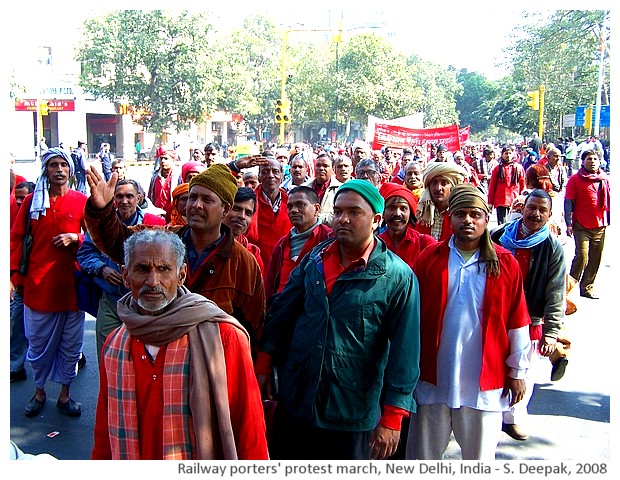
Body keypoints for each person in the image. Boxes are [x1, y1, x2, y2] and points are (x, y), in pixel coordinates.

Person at [256, 179, 420, 460]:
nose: (343, 219)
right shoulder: (314, 260)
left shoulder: (397, 277)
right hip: (297, 400)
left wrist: (393, 416)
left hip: (351, 410)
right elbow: (282, 314)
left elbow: (406, 352)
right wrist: (264, 364)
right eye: (339, 211)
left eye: (354, 212)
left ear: (376, 220)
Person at [91, 229, 269, 460]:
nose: (153, 281)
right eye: (142, 269)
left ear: (182, 274)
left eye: (164, 269)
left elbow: (249, 426)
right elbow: (105, 433)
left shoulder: (223, 336)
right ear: (125, 276)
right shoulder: (115, 345)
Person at [84, 163, 266, 352]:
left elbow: (253, 325)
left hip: (213, 358)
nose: (196, 205)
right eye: (193, 197)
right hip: (161, 354)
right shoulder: (163, 239)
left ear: (225, 209)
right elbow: (119, 243)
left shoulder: (243, 262)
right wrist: (103, 211)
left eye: (207, 200)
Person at [406, 184, 531, 460]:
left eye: (476, 214)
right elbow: (410, 319)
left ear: (487, 219)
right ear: (450, 217)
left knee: (479, 461)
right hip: (432, 379)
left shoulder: (505, 263)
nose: (468, 221)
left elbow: (517, 321)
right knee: (422, 458)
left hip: (485, 383)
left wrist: (518, 372)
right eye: (461, 214)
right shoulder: (429, 259)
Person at [10, 147, 88, 417]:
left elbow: (94, 239)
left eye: (63, 165)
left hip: (72, 287)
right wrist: (13, 277)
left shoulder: (82, 201)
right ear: (45, 170)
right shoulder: (32, 201)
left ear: (70, 170)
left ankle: (65, 395)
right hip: (38, 287)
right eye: (53, 165)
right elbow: (16, 238)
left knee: (71, 345)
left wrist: (75, 238)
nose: (59, 170)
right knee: (38, 345)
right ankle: (39, 391)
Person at [491, 189, 566, 441]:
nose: (535, 214)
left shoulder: (552, 248)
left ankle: (513, 418)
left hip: (529, 318)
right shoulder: (499, 236)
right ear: (522, 208)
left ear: (549, 215)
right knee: (492, 365)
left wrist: (552, 332)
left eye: (542, 210)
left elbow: (556, 292)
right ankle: (489, 415)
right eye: (531, 207)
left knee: (524, 371)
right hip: (496, 313)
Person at [77, 179, 166, 363]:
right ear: (113, 199)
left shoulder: (152, 223)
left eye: (129, 196)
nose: (124, 201)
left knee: (143, 357)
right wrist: (102, 269)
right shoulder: (100, 224)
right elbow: (85, 254)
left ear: (139, 198)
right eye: (119, 196)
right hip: (110, 300)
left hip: (142, 303)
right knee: (107, 354)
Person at [264, 186, 332, 301]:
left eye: (300, 205)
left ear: (316, 209)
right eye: (290, 206)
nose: (293, 210)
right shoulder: (282, 244)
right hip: (282, 309)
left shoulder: (329, 239)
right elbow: (269, 283)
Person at [564, 150, 611, 299]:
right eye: (589, 159)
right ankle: (568, 288)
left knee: (596, 257)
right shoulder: (575, 179)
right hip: (581, 225)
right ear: (582, 161)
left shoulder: (604, 179)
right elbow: (568, 202)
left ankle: (587, 287)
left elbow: (609, 201)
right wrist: (568, 223)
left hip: (600, 225)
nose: (592, 162)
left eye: (595, 159)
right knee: (582, 256)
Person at [245, 158, 293, 271]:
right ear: (259, 177)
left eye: (275, 171)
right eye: (265, 171)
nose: (271, 175)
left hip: (284, 268)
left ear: (282, 176)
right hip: (255, 265)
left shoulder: (291, 203)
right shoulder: (249, 202)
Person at [10, 180, 35, 383]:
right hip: (19, 282)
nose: (18, 201)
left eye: (22, 197)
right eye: (16, 197)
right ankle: (15, 366)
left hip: (39, 282)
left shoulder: (35, 212)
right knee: (17, 324)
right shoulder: (12, 213)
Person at [378, 183, 435, 269]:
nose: (397, 213)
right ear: (383, 213)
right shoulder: (376, 244)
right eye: (391, 208)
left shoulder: (424, 243)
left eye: (403, 208)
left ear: (410, 213)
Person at [414, 162, 466, 241]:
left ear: (453, 186)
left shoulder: (461, 212)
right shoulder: (419, 211)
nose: (438, 188)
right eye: (434, 182)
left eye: (444, 183)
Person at [222, 187, 265, 273]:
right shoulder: (203, 244)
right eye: (236, 209)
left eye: (248, 213)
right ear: (224, 209)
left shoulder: (253, 254)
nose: (242, 216)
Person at [488, 145, 526, 225]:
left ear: (513, 154)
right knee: (502, 224)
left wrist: (524, 199)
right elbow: (492, 186)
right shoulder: (497, 169)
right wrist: (490, 203)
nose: (508, 155)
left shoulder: (518, 168)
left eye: (510, 153)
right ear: (502, 155)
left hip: (515, 201)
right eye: (506, 153)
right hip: (501, 200)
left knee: (514, 224)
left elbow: (523, 185)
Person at [303, 152, 343, 226]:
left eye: (325, 166)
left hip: (330, 234)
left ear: (333, 169)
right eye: (318, 165)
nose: (321, 168)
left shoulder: (341, 190)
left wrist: (315, 218)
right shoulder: (304, 188)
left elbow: (340, 215)